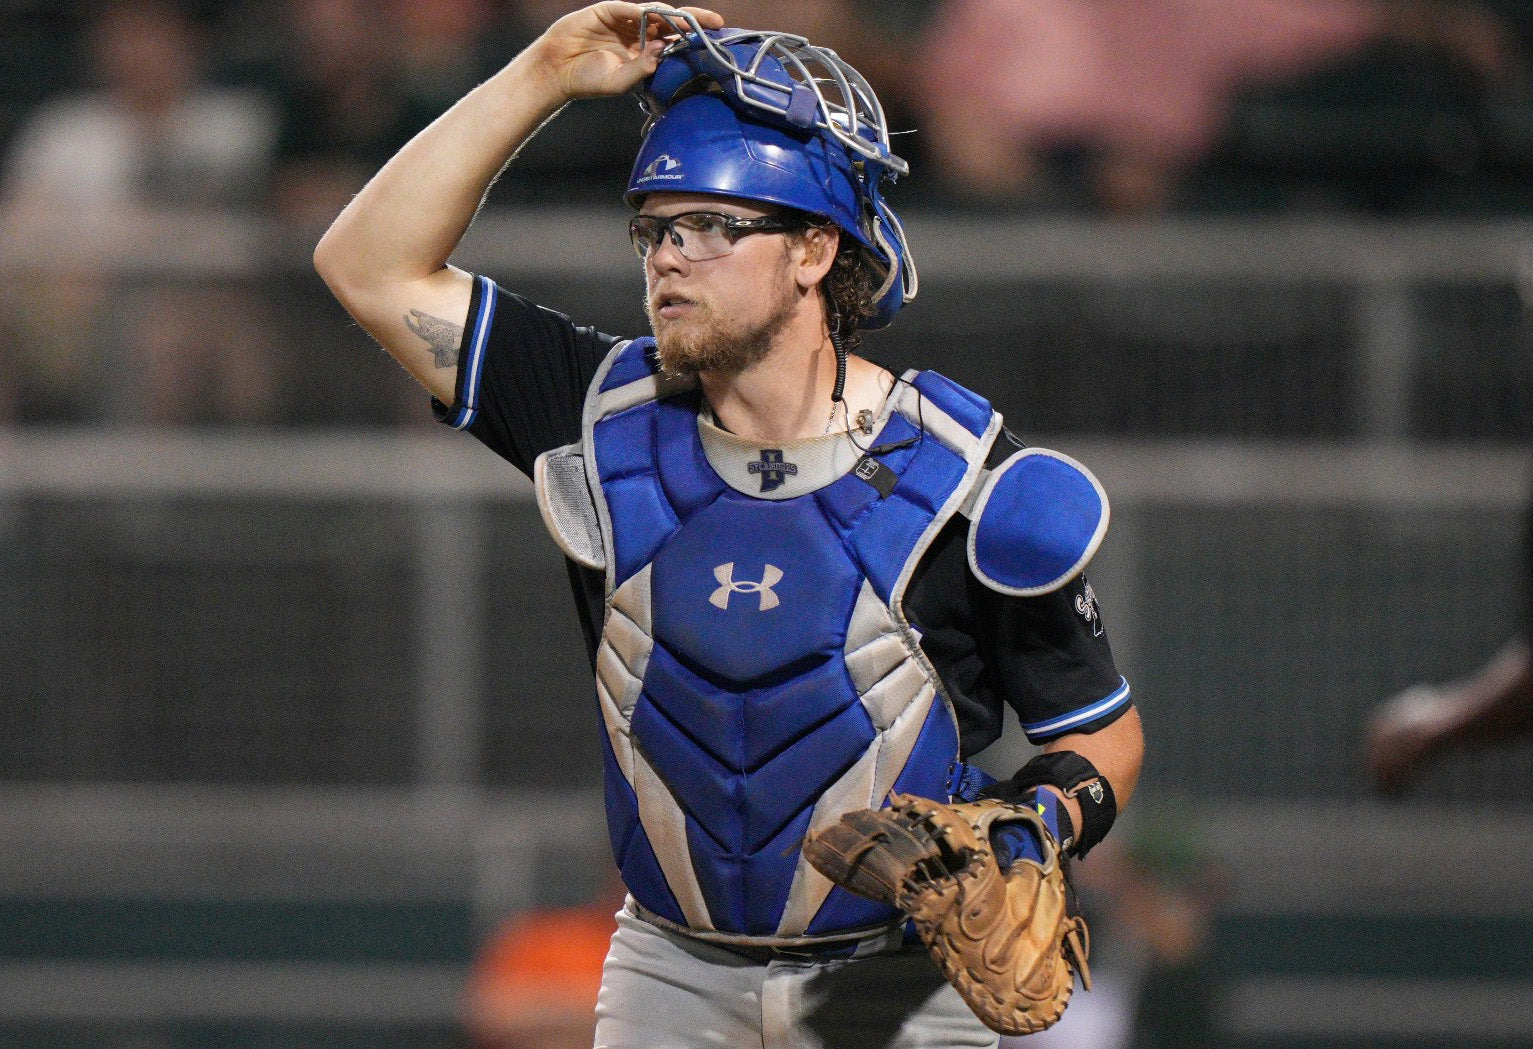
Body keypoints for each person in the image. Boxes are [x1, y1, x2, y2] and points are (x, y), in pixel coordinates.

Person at [314, 5, 1145, 1045]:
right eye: (654, 227)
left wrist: (1040, 827)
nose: (668, 257)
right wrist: (544, 72)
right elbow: (368, 264)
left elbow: (1098, 731)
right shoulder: (599, 414)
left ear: (813, 250)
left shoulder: (960, 474)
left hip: (898, 983)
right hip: (667, 973)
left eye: (711, 225)